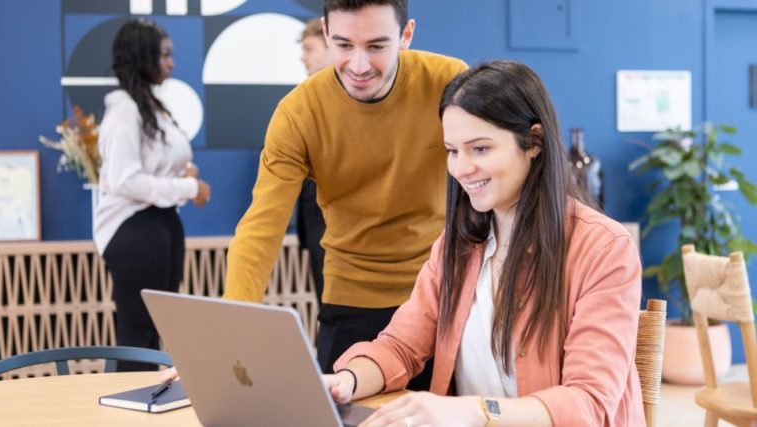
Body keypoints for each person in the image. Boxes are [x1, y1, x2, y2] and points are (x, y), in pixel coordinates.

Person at [324, 61, 644, 426]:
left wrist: (474, 410)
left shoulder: (604, 249)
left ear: (534, 142)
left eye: (479, 149)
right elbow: (400, 345)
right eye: (452, 150)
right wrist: (345, 381)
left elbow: (587, 403)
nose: (460, 169)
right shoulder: (456, 246)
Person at [224, 0, 467, 387]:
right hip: (351, 297)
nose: (358, 65)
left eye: (376, 46)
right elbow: (260, 229)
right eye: (343, 45)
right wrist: (231, 336)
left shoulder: (448, 82)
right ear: (325, 34)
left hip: (441, 295)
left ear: (406, 36)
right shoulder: (298, 113)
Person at [94, 18, 211, 372]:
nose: (171, 63)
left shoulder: (148, 106)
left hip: (160, 225)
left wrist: (181, 175)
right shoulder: (125, 111)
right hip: (135, 230)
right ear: (142, 56)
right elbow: (125, 180)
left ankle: (149, 404)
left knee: (153, 333)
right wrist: (189, 187)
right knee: (138, 334)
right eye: (164, 55)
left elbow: (152, 167)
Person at [296, 18, 330, 307]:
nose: (302, 56)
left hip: (339, 229)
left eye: (309, 48)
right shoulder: (303, 101)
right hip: (314, 226)